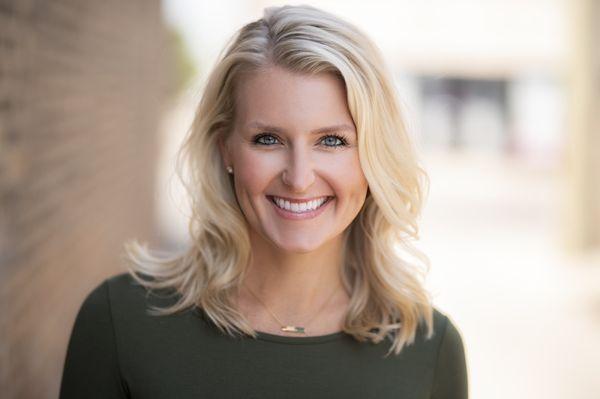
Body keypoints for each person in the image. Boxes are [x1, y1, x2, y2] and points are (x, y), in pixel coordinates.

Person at [59, 4, 468, 398]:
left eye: (332, 141)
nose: (300, 177)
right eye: (268, 139)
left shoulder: (428, 349)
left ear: (372, 156)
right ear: (226, 150)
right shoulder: (119, 323)